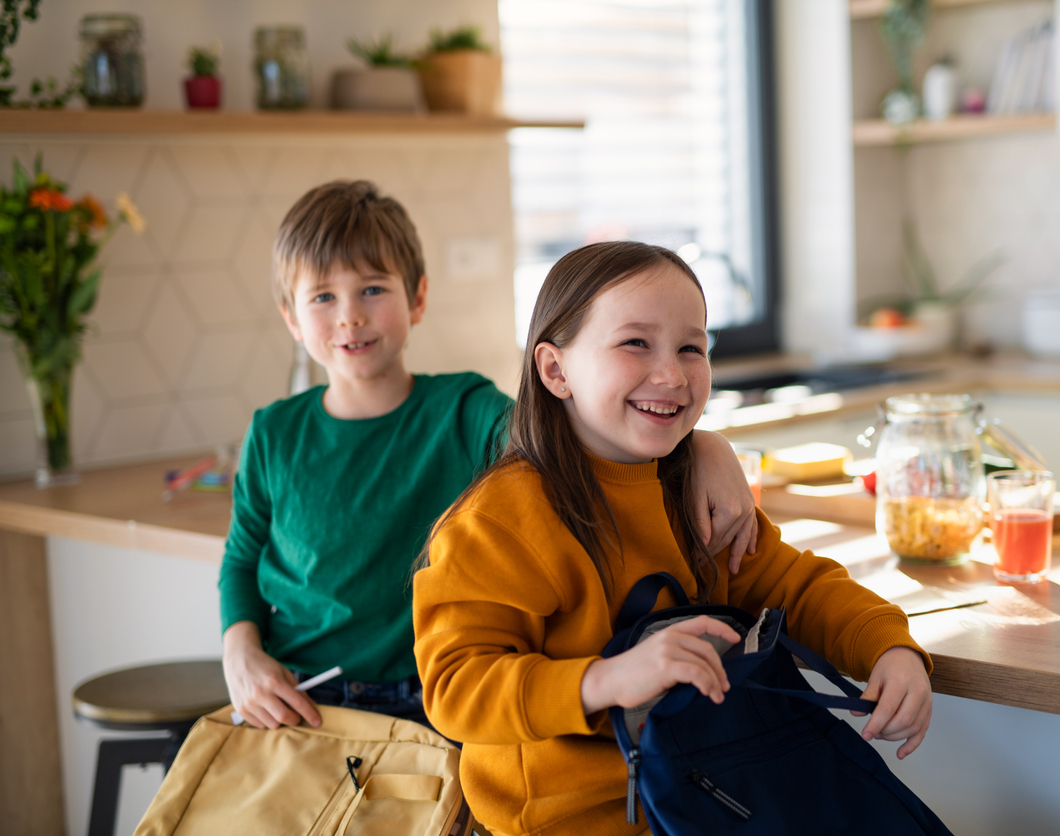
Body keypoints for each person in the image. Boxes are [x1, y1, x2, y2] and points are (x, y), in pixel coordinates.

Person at [411, 241, 935, 836]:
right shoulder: (500, 520)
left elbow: (796, 585)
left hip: (706, 797)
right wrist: (606, 679)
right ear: (556, 371)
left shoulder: (697, 492)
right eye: (635, 343)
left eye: (692, 348)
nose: (672, 374)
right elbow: (456, 688)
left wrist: (888, 647)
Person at [219, 182, 758, 730]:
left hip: (430, 703)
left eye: (373, 289)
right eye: (322, 297)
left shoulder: (466, 409)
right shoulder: (272, 432)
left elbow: (569, 435)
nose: (350, 316)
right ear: (291, 317)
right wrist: (239, 648)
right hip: (300, 697)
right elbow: (242, 558)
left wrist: (704, 444)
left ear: (417, 298)